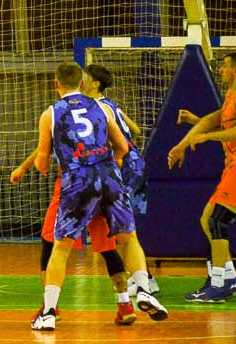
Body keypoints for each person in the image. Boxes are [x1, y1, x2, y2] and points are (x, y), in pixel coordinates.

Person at [30, 61, 167, 331]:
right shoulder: (103, 108)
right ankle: (141, 290)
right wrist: (108, 167)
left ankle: (48, 311)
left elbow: (42, 161)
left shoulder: (51, 113)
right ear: (82, 83)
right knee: (127, 239)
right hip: (108, 177)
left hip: (76, 181)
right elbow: (122, 147)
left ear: (56, 84)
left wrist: (42, 166)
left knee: (59, 247)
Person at [11, 150, 136, 326]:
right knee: (109, 249)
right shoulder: (105, 121)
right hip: (103, 183)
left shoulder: (57, 121)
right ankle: (125, 304)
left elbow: (43, 151)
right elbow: (125, 144)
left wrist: (24, 167)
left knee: (52, 245)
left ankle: (50, 308)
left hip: (72, 185)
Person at [169, 52, 236, 303]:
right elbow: (210, 121)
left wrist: (206, 138)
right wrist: (182, 144)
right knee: (208, 219)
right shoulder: (232, 96)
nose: (220, 71)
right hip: (235, 166)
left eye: (224, 67)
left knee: (217, 221)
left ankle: (218, 285)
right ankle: (229, 278)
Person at [81, 64, 160, 297]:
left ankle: (146, 281)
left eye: (84, 77)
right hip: (133, 161)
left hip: (123, 165)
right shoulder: (110, 104)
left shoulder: (95, 107)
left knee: (124, 229)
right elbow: (134, 129)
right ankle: (145, 277)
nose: (81, 81)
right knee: (123, 228)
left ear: (95, 83)